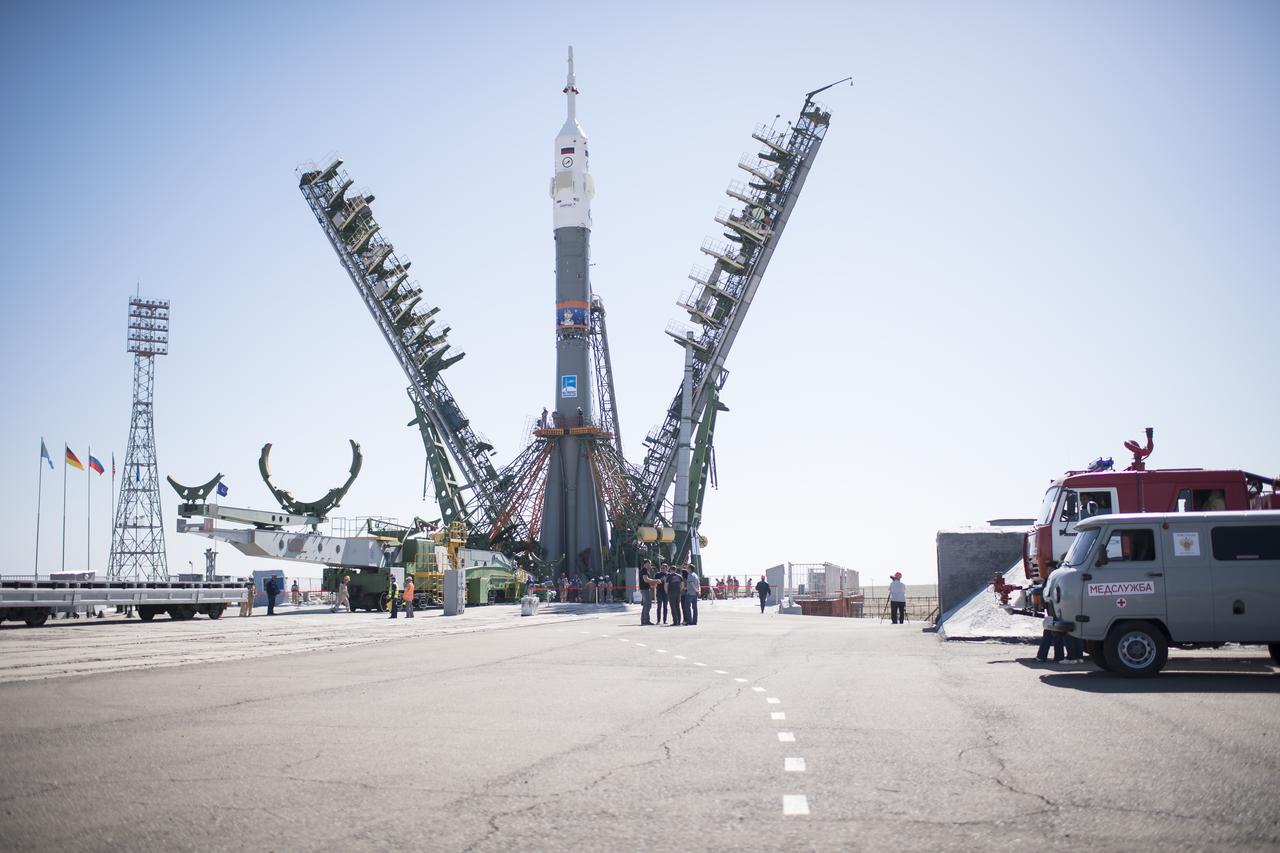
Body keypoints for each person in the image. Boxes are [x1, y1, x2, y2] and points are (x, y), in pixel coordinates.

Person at [639, 560, 656, 625]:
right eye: (649, 564)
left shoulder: (645, 570)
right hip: (645, 590)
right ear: (645, 564)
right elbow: (646, 580)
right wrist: (655, 581)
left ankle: (643, 620)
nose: (650, 565)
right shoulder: (644, 570)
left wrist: (651, 584)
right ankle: (646, 620)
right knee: (648, 605)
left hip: (645, 589)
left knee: (646, 605)